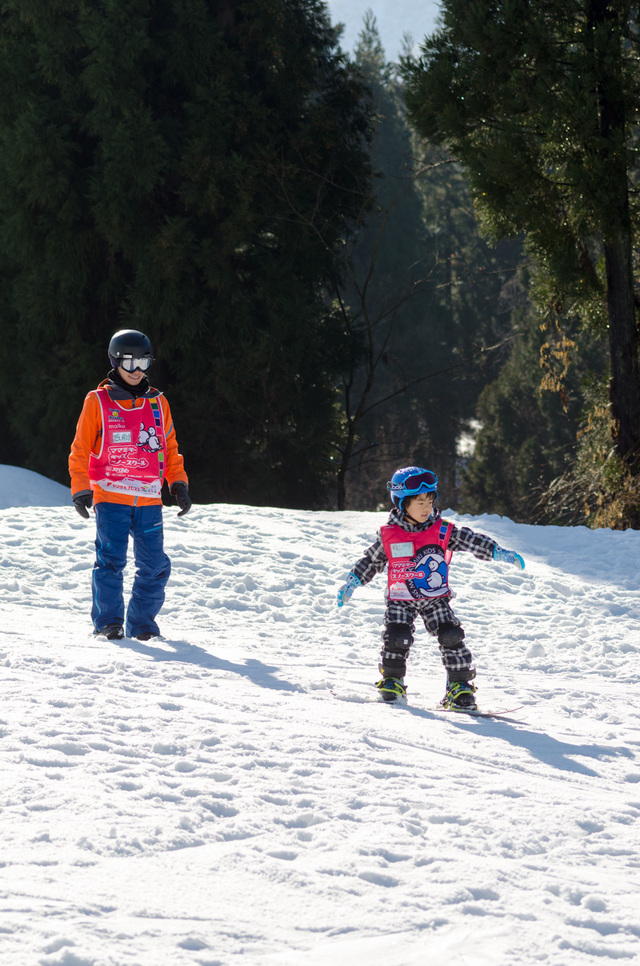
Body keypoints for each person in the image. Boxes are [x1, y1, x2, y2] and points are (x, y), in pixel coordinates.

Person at [336, 465, 525, 709]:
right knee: (397, 638)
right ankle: (392, 682)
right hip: (401, 598)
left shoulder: (442, 530)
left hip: (434, 598)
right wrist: (353, 581)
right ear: (402, 504)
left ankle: (459, 687)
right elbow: (371, 562)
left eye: (430, 501)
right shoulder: (390, 536)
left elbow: (470, 540)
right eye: (420, 503)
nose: (427, 508)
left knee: (451, 636)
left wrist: (497, 552)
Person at [69, 329, 192, 642]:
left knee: (155, 565)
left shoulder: (158, 402)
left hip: (149, 498)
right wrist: (81, 488)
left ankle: (143, 624)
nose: (137, 370)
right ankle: (108, 623)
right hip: (111, 496)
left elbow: (169, 447)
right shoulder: (98, 401)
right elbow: (80, 448)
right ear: (115, 362)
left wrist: (178, 483)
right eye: (129, 362)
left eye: (143, 362)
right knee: (110, 562)